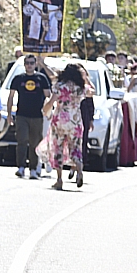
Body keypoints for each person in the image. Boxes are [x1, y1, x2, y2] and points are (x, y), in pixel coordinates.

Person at [37, 62, 87, 190]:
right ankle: (79, 169)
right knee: (75, 147)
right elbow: (92, 91)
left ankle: (59, 179)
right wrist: (85, 78)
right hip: (75, 121)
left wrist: (45, 109)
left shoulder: (60, 86)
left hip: (60, 119)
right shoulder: (80, 88)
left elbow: (52, 101)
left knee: (57, 147)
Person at [7, 54, 52, 178]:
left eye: (32, 63)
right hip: (22, 115)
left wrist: (48, 111)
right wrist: (10, 114)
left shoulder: (41, 78)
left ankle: (33, 168)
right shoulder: (18, 78)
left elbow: (48, 96)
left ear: (35, 64)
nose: (29, 65)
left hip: (37, 116)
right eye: (27, 63)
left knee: (35, 143)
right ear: (24, 64)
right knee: (22, 140)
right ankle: (21, 167)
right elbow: (11, 97)